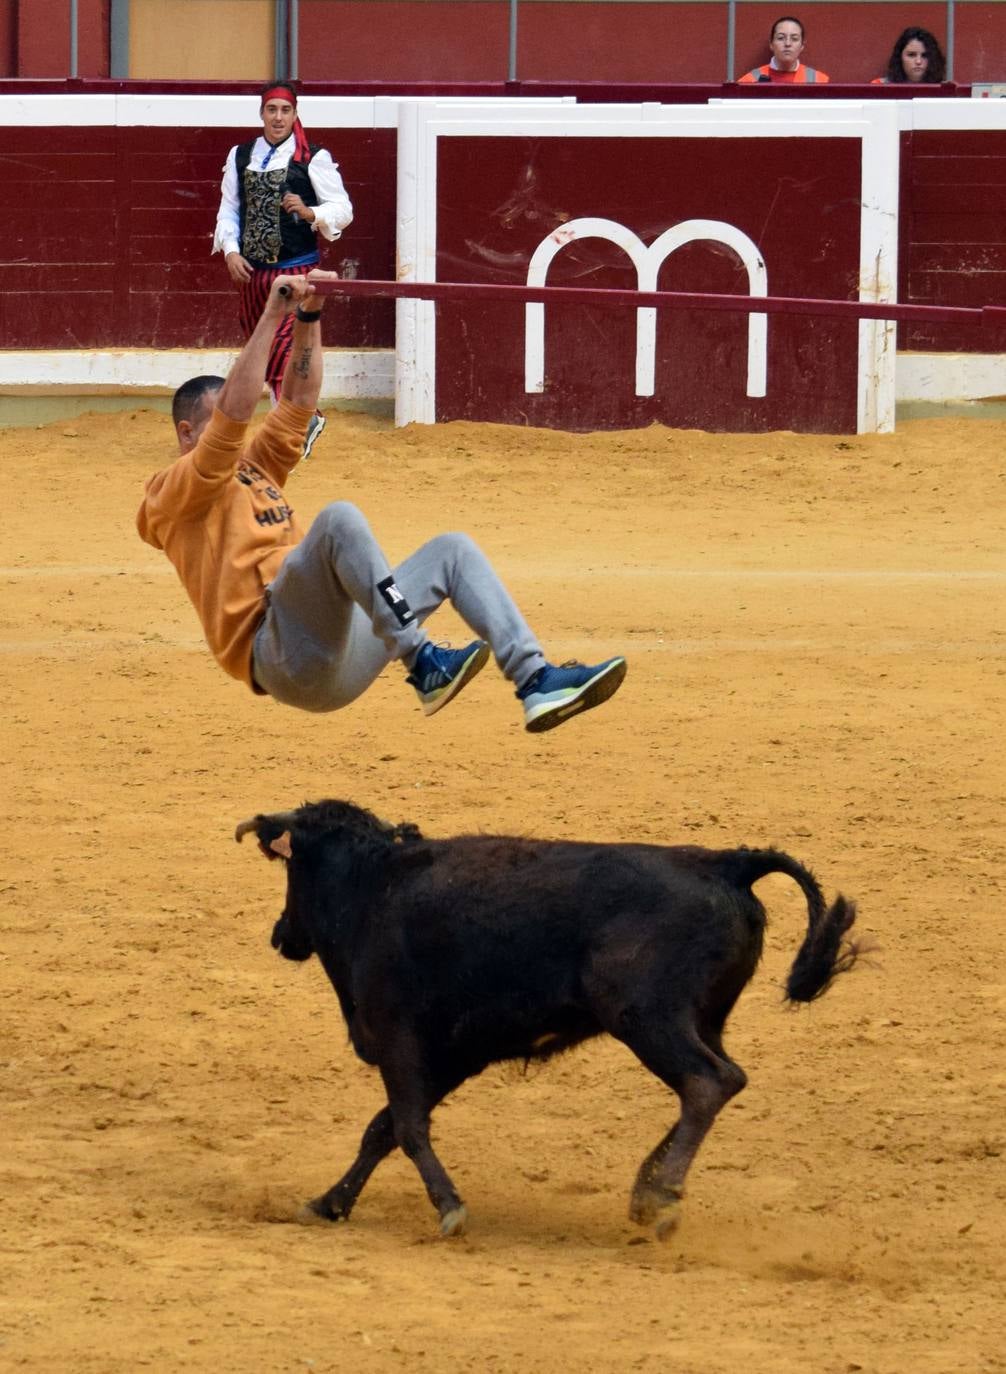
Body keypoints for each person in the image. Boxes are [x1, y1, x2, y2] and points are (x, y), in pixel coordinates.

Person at [136, 271, 627, 735]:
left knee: (451, 553)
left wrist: (308, 316)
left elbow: (298, 405)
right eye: (216, 420)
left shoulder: (254, 468)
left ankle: (534, 679)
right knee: (338, 520)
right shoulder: (173, 491)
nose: (234, 429)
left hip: (335, 656)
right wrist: (271, 316)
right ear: (185, 432)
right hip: (278, 648)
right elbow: (232, 419)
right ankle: (422, 661)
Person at [212, 81, 354, 458]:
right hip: (252, 274)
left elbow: (343, 208)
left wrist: (311, 212)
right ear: (262, 114)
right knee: (262, 348)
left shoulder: (312, 158)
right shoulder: (241, 155)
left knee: (284, 351)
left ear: (295, 115)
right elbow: (229, 209)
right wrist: (230, 250)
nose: (278, 117)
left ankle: (295, 425)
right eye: (271, 110)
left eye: (285, 111)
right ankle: (295, 423)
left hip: (296, 270)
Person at [737, 16, 829, 84]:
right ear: (771, 44)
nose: (788, 44)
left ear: (802, 46)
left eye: (794, 38)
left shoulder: (819, 81)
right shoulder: (750, 81)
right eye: (781, 38)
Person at [872, 28, 946, 84]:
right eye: (911, 55)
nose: (918, 61)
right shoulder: (880, 87)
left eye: (925, 56)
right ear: (899, 58)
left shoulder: (943, 91)